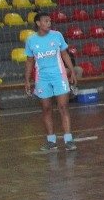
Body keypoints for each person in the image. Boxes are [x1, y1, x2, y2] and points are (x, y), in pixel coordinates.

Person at [24, 12, 78, 152]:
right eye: (46, 21)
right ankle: (51, 141)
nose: (49, 23)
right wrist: (27, 80)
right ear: (38, 23)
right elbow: (30, 61)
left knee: (63, 106)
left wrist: (72, 71)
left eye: (50, 21)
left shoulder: (57, 35)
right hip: (42, 78)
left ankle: (68, 140)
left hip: (59, 76)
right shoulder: (31, 40)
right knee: (46, 108)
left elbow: (65, 54)